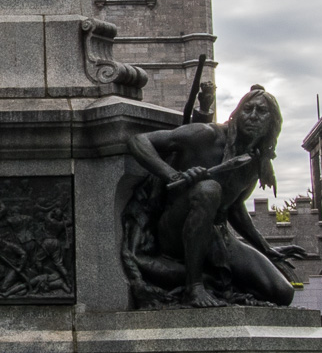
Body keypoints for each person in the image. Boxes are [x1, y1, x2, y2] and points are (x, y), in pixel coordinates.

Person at [121, 84, 308, 307]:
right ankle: (194, 287)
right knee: (208, 189)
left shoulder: (253, 161)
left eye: (261, 111)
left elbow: (235, 207)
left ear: (272, 122)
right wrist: (172, 175)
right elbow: (138, 141)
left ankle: (212, 279)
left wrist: (265, 248)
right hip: (172, 231)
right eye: (248, 109)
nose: (253, 116)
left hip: (216, 236)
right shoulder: (205, 135)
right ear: (237, 113)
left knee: (282, 293)